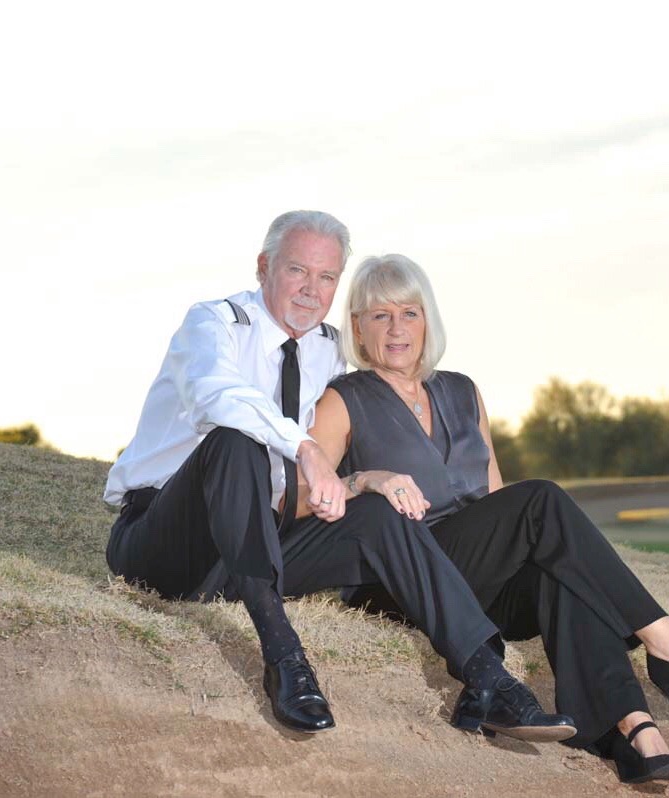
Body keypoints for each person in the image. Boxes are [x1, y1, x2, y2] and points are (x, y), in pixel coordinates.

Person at [104, 211, 574, 742]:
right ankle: (284, 656)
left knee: (379, 512)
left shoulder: (329, 351)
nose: (312, 289)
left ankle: (489, 679)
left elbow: (334, 464)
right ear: (264, 267)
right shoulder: (214, 324)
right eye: (297, 270)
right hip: (170, 542)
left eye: (326, 277)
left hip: (262, 545)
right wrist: (302, 448)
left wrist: (365, 480)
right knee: (236, 442)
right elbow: (216, 396)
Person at [303, 253, 669, 783]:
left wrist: (532, 550)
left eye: (409, 312)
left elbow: (495, 496)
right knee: (539, 498)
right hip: (408, 576)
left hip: (478, 574)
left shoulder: (463, 391)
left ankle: (634, 731)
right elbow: (307, 498)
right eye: (380, 316)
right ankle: (667, 643)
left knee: (561, 576)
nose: (396, 328)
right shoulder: (344, 400)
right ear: (357, 327)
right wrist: (367, 479)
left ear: (428, 319)